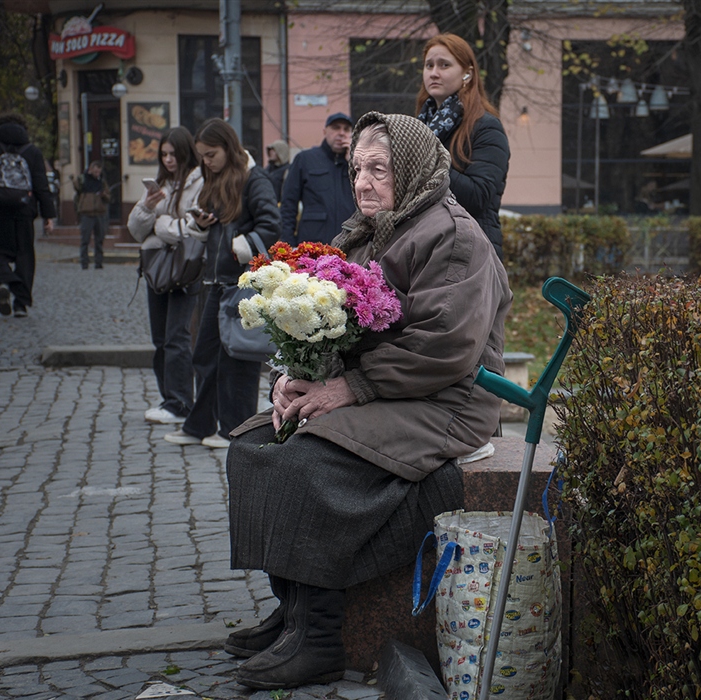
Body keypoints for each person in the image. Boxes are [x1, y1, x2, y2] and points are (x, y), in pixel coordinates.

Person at [224, 112, 513, 690]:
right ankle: (298, 608)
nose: (362, 182)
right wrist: (293, 376)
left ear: (409, 169)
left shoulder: (451, 235)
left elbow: (444, 348)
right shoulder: (364, 230)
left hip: (444, 399)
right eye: (357, 168)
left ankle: (321, 640)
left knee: (306, 462)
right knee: (256, 443)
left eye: (378, 169)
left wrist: (347, 388)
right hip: (386, 389)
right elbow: (325, 321)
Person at [164, 118, 281, 449]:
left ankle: (234, 427)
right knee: (207, 356)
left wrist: (242, 245)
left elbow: (272, 224)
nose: (206, 161)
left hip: (240, 281)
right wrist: (202, 226)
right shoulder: (216, 177)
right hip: (216, 281)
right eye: (202, 155)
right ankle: (201, 424)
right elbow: (214, 224)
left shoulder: (254, 178)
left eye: (211, 154)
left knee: (237, 358)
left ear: (228, 149)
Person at [128, 127, 204, 425]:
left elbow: (193, 228)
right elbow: (135, 230)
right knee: (160, 338)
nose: (168, 160)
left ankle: (181, 402)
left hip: (186, 267)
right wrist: (147, 207)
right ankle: (169, 398)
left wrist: (159, 224)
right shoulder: (159, 184)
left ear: (185, 152)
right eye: (163, 154)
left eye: (173, 154)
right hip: (157, 267)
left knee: (177, 337)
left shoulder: (198, 182)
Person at [416, 33, 510, 261]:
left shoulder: (486, 127)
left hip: (470, 253)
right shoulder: (421, 126)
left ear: (467, 73)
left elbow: (478, 196)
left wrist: (427, 159)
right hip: (426, 248)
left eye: (444, 65)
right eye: (429, 65)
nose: (434, 73)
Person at [0, 111, 56, 317]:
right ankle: (21, 304)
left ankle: (4, 281)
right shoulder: (32, 151)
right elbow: (42, 186)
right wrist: (48, 215)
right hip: (25, 210)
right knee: (25, 254)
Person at [279, 112, 354, 245]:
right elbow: (288, 204)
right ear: (325, 131)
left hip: (349, 242)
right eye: (336, 128)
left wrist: (354, 163)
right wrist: (288, 243)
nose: (341, 133)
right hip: (313, 245)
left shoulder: (357, 164)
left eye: (346, 129)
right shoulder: (305, 159)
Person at [73, 161, 111, 269]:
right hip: (86, 213)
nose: (97, 173)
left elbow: (109, 197)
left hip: (99, 213)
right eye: (95, 171)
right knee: (85, 239)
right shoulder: (83, 180)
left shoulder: (102, 182)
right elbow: (76, 186)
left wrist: (104, 195)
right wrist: (83, 175)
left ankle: (98, 262)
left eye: (99, 171)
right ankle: (84, 262)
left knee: (99, 240)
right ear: (91, 170)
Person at [265, 139, 291, 203]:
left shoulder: (288, 170)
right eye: (270, 150)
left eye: (274, 150)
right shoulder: (267, 169)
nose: (271, 153)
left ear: (281, 152)